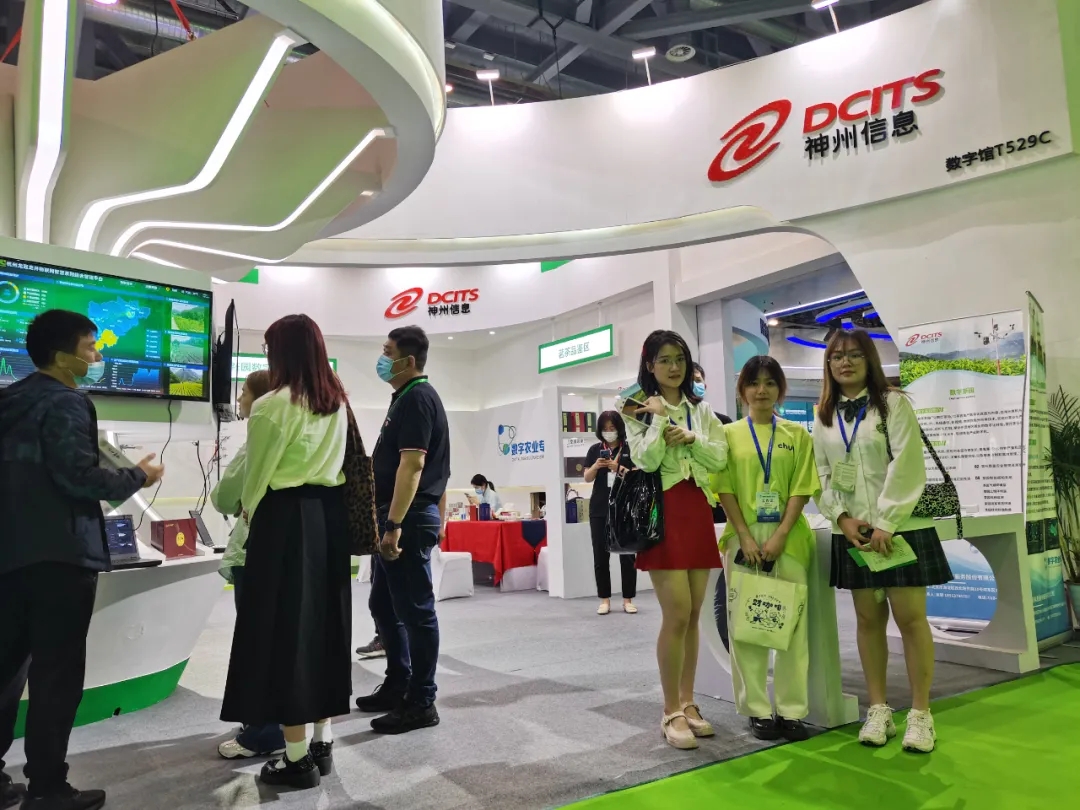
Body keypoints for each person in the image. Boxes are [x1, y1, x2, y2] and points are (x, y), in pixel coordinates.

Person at [0, 309, 164, 810]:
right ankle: (48, 788)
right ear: (61, 355)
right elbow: (78, 477)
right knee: (56, 679)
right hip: (61, 559)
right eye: (91, 346)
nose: (98, 355)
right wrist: (138, 476)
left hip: (9, 558)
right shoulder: (67, 402)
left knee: (5, 672)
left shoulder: (8, 400)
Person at [219, 314, 352, 790]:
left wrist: (247, 515)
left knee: (283, 635)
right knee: (324, 629)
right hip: (327, 519)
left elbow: (255, 479)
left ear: (281, 352)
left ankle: (295, 759)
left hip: (284, 521)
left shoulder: (272, 405)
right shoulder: (336, 402)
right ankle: (322, 743)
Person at [813, 329, 952, 754]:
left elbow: (907, 465)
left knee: (910, 620)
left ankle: (921, 715)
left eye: (855, 355)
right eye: (837, 356)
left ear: (869, 360)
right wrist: (841, 518)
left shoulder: (893, 403)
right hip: (854, 532)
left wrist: (887, 522)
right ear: (829, 365)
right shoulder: (824, 415)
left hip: (901, 528)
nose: (845, 362)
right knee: (868, 619)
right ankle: (878, 710)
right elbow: (822, 473)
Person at [624, 330, 728, 751]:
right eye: (664, 359)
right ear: (650, 365)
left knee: (695, 612)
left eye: (679, 359)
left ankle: (688, 701)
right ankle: (670, 710)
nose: (673, 367)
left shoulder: (700, 409)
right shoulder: (634, 406)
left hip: (697, 508)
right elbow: (645, 459)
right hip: (661, 513)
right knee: (677, 612)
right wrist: (657, 420)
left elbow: (719, 456)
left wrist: (691, 438)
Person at [715, 356, 818, 742]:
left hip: (788, 539)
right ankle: (757, 709)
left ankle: (792, 710)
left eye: (770, 383)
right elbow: (723, 488)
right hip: (743, 540)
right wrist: (744, 535)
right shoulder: (728, 435)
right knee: (747, 628)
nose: (762, 390)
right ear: (742, 390)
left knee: (792, 628)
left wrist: (780, 535)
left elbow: (801, 488)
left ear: (780, 389)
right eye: (754, 383)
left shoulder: (797, 434)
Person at [356, 325, 450, 735]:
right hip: (396, 517)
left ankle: (421, 700)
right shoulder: (404, 398)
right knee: (383, 605)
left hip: (406, 519)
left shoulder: (418, 399)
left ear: (408, 360)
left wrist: (393, 524)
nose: (382, 358)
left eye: (387, 351)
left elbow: (412, 467)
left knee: (416, 611)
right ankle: (399, 682)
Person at [209, 370, 288, 762]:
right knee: (281, 640)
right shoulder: (308, 427)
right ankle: (277, 725)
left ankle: (264, 731)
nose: (239, 400)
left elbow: (225, 497)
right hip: (292, 548)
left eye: (243, 392)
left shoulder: (258, 436)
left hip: (255, 549)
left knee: (258, 643)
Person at [583, 411, 638, 616]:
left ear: (619, 428)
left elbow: (636, 478)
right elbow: (587, 477)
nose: (609, 432)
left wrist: (617, 467)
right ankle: (604, 599)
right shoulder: (595, 450)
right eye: (605, 429)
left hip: (624, 508)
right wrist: (596, 466)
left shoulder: (630, 448)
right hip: (599, 508)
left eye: (612, 428)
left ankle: (628, 599)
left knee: (627, 555)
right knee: (600, 555)